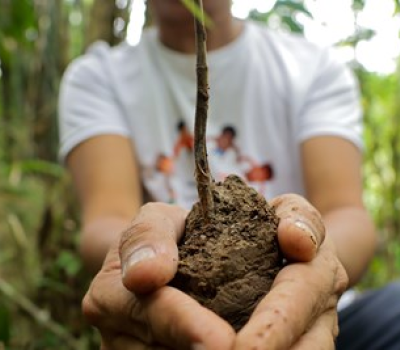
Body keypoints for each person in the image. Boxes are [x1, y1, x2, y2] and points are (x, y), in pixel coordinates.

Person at [57, 0, 390, 348]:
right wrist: (140, 252)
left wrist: (311, 270)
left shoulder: (312, 67)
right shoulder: (98, 77)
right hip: (170, 319)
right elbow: (106, 218)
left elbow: (346, 212)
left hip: (327, 314)